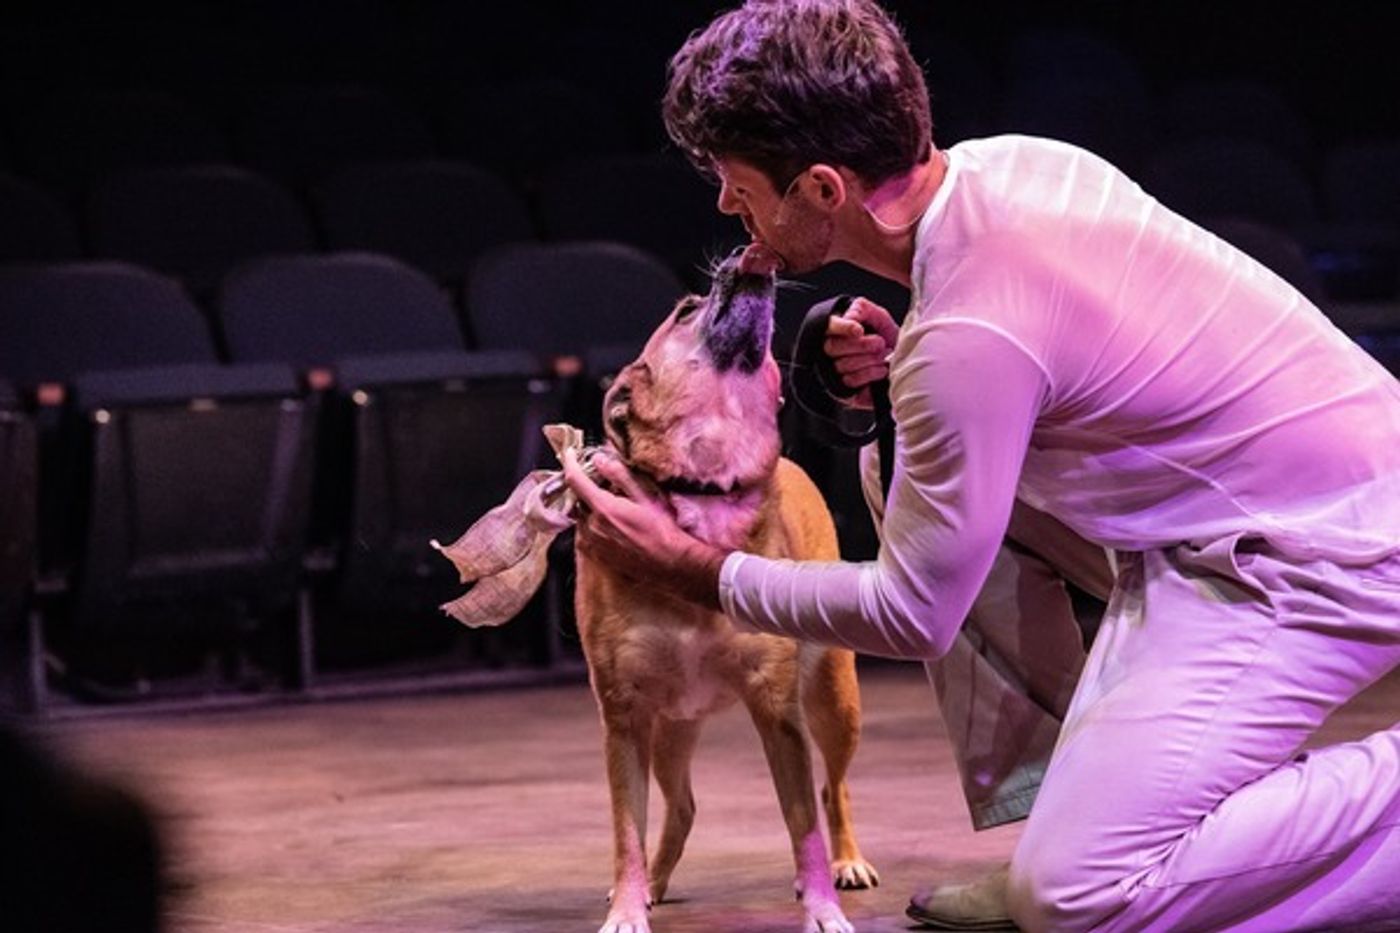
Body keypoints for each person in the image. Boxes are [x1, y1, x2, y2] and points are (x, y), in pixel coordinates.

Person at [562, 0, 1400, 929]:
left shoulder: (965, 332)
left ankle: (1098, 846)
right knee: (900, 464)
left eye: (738, 181)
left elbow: (914, 612)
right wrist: (917, 379)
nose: (727, 205)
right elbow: (1057, 366)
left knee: (1081, 895)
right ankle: (1070, 817)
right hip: (1247, 515)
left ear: (824, 190)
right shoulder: (1010, 164)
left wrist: (698, 570)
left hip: (1320, 556)